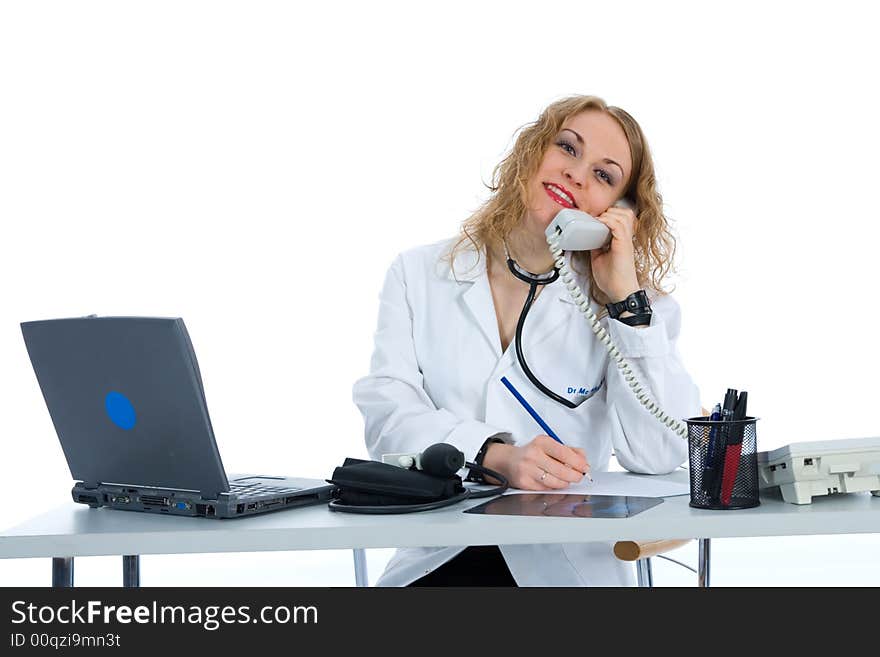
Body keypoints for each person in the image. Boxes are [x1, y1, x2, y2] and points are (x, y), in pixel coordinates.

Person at [352, 95, 701, 587]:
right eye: (568, 147)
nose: (578, 175)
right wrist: (493, 456)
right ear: (533, 150)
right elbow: (388, 416)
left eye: (604, 176)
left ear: (618, 212)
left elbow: (661, 454)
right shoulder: (418, 274)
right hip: (440, 556)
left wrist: (624, 301)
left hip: (563, 563)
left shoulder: (633, 309)